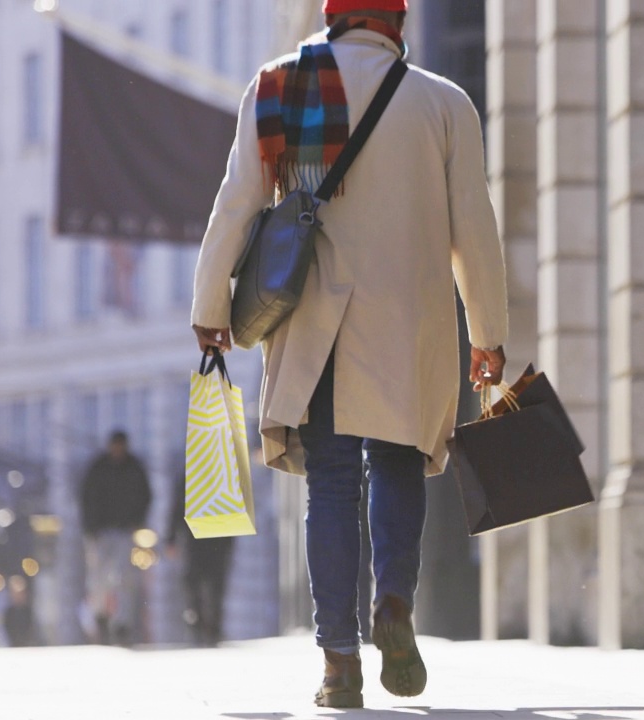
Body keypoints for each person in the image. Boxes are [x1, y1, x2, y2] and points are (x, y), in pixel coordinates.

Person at [190, 0, 508, 709]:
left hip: (317, 315)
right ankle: (393, 601)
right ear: (397, 26)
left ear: (334, 20)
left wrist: (211, 307)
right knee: (397, 459)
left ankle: (338, 663)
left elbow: (236, 203)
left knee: (330, 480)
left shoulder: (278, 86)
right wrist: (488, 333)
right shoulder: (445, 103)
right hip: (411, 316)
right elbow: (475, 231)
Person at [79, 430, 152, 646]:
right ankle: (100, 618)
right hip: (100, 533)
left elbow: (145, 496)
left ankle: (122, 624)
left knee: (125, 578)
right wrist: (90, 528)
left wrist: (136, 521)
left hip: (123, 531)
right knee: (98, 578)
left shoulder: (134, 468)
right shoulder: (98, 468)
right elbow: (86, 498)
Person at [166, 473, 235, 647]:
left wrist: (172, 538)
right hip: (203, 537)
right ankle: (202, 625)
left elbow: (177, 507)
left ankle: (208, 626)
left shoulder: (195, 472)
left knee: (209, 584)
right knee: (199, 583)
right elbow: (178, 507)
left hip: (210, 537)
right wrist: (171, 538)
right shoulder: (218, 472)